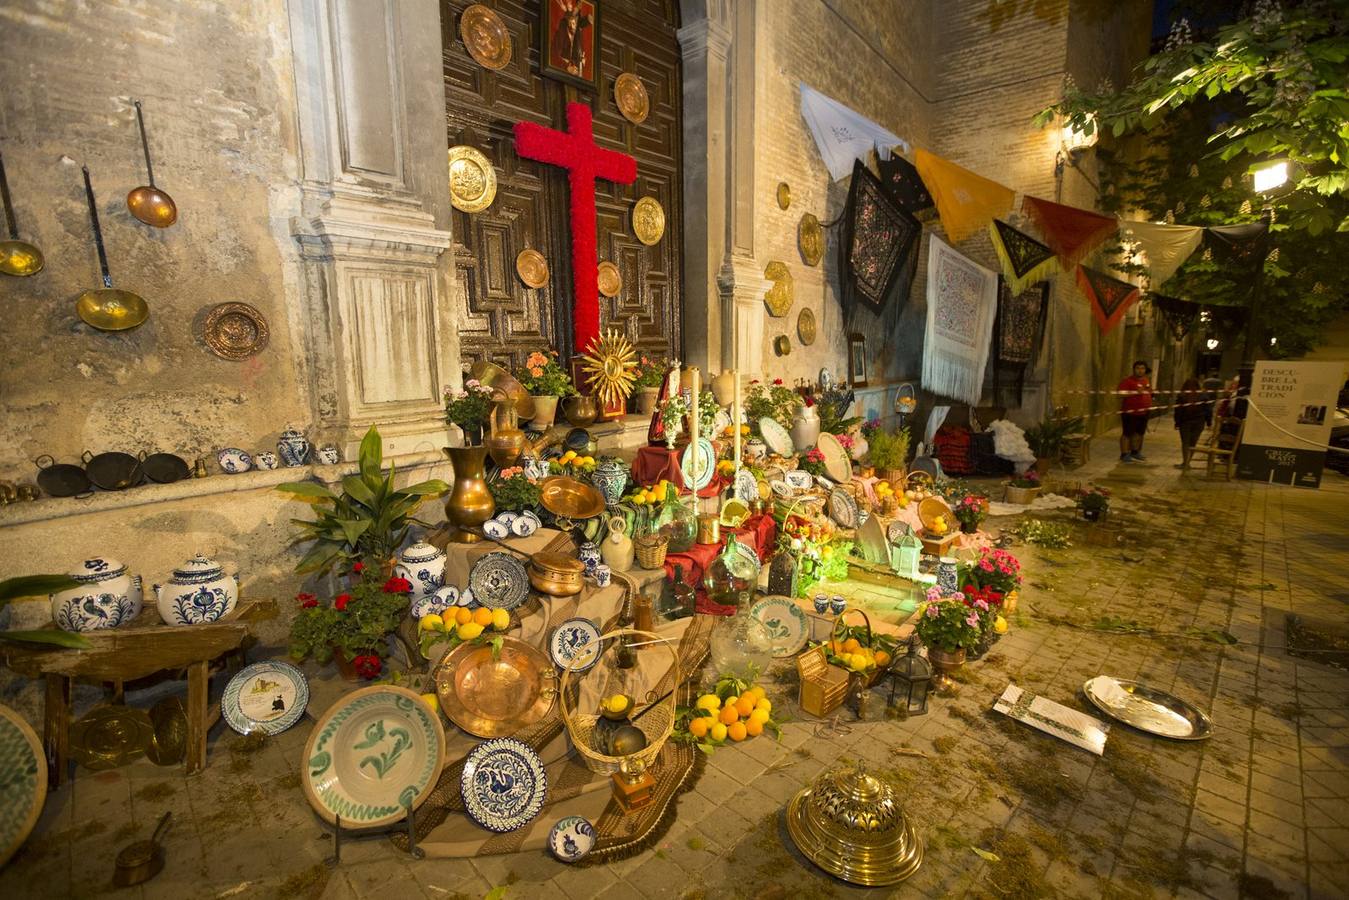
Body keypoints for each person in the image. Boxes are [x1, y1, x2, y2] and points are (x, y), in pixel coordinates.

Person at [1118, 360, 1153, 463]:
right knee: (1127, 433)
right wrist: (1135, 393)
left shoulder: (1146, 380)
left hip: (1144, 412)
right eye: (1138, 368)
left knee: (1138, 433)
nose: (1140, 370)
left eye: (1142, 368)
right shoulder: (1127, 381)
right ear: (1134, 369)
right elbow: (1120, 394)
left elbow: (1148, 392)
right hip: (1130, 412)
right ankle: (1124, 454)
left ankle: (1135, 452)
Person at [1173, 377, 1212, 470]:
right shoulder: (1204, 396)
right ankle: (1188, 463)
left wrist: (1177, 422)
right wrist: (1209, 422)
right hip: (1199, 423)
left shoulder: (1182, 395)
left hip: (1185, 422)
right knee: (1193, 443)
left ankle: (1185, 463)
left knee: (1185, 443)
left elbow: (1178, 410)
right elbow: (1208, 410)